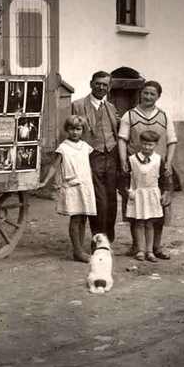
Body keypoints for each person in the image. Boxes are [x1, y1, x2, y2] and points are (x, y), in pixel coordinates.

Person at [118, 80, 177, 259]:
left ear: (158, 96)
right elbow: (122, 139)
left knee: (159, 207)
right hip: (135, 168)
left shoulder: (164, 116)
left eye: (152, 94)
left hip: (158, 169)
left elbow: (172, 141)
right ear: (140, 94)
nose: (148, 96)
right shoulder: (130, 115)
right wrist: (123, 161)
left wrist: (168, 163)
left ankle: (156, 247)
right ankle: (138, 246)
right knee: (134, 206)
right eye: (145, 93)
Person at [40, 115, 96, 263]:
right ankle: (77, 251)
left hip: (85, 185)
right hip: (72, 186)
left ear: (83, 131)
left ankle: (80, 249)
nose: (75, 132)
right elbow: (54, 166)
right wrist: (45, 180)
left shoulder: (85, 147)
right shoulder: (63, 148)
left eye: (78, 129)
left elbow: (88, 166)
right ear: (67, 130)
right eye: (72, 129)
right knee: (76, 217)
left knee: (84, 217)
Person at [72, 71, 119, 242]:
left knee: (112, 199)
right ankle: (98, 236)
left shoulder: (111, 108)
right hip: (91, 156)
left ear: (109, 87)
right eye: (98, 83)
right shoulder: (78, 105)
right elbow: (71, 133)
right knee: (98, 200)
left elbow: (116, 131)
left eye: (105, 84)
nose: (101, 87)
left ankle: (108, 236)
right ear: (91, 83)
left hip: (111, 156)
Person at [125, 130, 171, 262]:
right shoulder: (132, 159)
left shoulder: (158, 159)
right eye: (144, 144)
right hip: (138, 194)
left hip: (152, 194)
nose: (147, 147)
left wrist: (165, 192)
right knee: (139, 222)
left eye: (150, 145)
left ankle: (150, 251)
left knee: (150, 223)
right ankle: (140, 250)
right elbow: (125, 177)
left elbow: (164, 178)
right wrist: (128, 191)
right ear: (140, 143)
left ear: (155, 144)